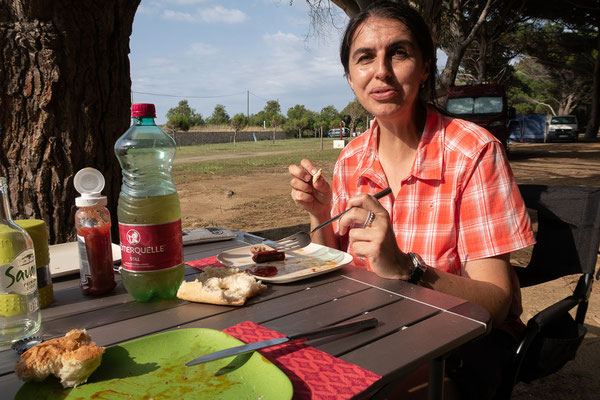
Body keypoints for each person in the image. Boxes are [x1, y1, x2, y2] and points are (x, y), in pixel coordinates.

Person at [288, 1, 535, 399]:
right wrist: (320, 212)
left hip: (461, 342)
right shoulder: (352, 157)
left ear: (424, 68)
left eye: (398, 53)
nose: (381, 71)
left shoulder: (473, 152)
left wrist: (407, 268)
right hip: (375, 326)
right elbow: (334, 265)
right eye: (365, 58)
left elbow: (497, 303)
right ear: (351, 78)